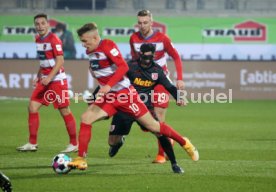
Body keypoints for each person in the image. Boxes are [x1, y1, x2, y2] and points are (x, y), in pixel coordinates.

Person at [67, 22, 198, 171]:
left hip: (125, 95)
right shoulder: (91, 52)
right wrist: (97, 93)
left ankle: (184, 142)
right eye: (82, 41)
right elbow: (104, 74)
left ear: (95, 37)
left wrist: (108, 86)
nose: (83, 44)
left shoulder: (108, 45)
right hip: (110, 97)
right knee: (86, 118)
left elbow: (123, 67)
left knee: (154, 126)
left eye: (85, 41)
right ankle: (81, 159)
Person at [107, 43, 187, 173]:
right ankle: (119, 141)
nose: (146, 61)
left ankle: (174, 164)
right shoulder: (130, 66)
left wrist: (179, 97)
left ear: (153, 56)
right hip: (125, 105)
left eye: (149, 58)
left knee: (160, 132)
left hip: (144, 108)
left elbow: (170, 86)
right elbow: (114, 79)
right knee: (112, 142)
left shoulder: (157, 71)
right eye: (144, 58)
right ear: (140, 55)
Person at [129, 9, 185, 163]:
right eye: (139, 23)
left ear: (152, 22)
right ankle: (168, 138)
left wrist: (179, 79)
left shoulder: (162, 38)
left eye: (145, 22)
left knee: (159, 116)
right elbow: (134, 61)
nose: (142, 25)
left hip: (160, 80)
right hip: (143, 83)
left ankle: (161, 154)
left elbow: (176, 56)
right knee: (145, 122)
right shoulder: (133, 38)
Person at [16, 13, 78, 153]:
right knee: (32, 106)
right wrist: (38, 76)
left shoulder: (54, 39)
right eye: (37, 24)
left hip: (57, 80)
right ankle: (32, 143)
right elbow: (44, 61)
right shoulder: (38, 39)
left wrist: (49, 77)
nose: (40, 26)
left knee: (64, 110)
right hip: (45, 80)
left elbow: (60, 60)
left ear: (48, 24)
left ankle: (74, 143)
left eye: (43, 23)